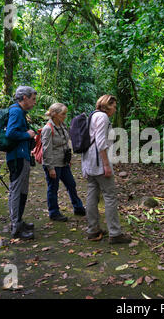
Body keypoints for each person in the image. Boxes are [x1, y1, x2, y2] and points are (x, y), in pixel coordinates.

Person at [81, 95, 131, 244]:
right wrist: (106, 165)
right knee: (110, 196)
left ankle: (93, 230)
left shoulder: (93, 115)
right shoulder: (102, 117)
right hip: (98, 162)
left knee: (92, 193)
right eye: (114, 106)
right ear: (107, 106)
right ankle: (115, 233)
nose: (115, 109)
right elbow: (101, 143)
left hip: (89, 161)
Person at [41, 103, 86, 222]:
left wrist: (68, 159)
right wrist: (50, 168)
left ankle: (78, 207)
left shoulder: (62, 125)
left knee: (71, 184)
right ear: (55, 114)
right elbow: (46, 149)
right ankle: (54, 212)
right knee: (53, 188)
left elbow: (66, 142)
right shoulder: (47, 129)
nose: (65, 116)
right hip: (53, 163)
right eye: (63, 114)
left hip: (64, 162)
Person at [5, 86, 37, 240]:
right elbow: (10, 133)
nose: (34, 102)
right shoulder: (16, 111)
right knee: (16, 190)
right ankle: (15, 227)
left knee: (22, 190)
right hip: (17, 157)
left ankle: (19, 221)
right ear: (24, 98)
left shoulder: (20, 112)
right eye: (33, 99)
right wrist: (27, 134)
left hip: (22, 155)